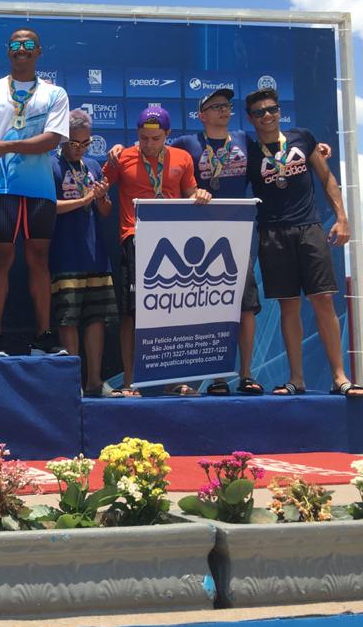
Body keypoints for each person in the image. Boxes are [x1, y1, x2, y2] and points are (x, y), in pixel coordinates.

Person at [243, 88, 361, 398]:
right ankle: (296, 379)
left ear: (280, 111)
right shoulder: (248, 149)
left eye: (272, 109)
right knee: (288, 306)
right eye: (259, 112)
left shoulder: (303, 138)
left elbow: (326, 178)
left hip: (309, 228)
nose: (267, 115)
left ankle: (340, 377)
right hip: (272, 233)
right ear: (250, 118)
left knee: (323, 299)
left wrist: (342, 218)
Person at [0, 28, 70, 357]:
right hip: (0, 187)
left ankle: (43, 335)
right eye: (16, 45)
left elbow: (53, 139)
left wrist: (8, 145)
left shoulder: (55, 94)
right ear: (8, 51)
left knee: (38, 260)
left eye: (29, 45)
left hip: (39, 188)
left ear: (39, 51)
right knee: (1, 259)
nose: (22, 49)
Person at [102, 106, 212, 396]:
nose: (148, 144)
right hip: (135, 240)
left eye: (155, 138)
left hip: (174, 242)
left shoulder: (183, 158)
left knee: (174, 311)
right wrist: (107, 165)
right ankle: (129, 381)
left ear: (167, 135)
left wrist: (199, 194)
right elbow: (98, 188)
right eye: (143, 138)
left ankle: (176, 380)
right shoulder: (122, 156)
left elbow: (190, 193)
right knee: (132, 314)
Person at [171, 89, 262, 395]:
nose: (225, 110)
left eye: (227, 106)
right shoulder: (187, 144)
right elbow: (155, 159)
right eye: (217, 106)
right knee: (210, 306)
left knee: (245, 307)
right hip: (201, 237)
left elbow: (274, 153)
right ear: (202, 115)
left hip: (237, 232)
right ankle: (218, 376)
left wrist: (320, 151)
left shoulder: (243, 139)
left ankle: (246, 374)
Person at [49, 109, 118, 397]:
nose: (80, 149)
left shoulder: (92, 165)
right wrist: (85, 198)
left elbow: (105, 211)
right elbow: (49, 207)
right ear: (63, 140)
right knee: (69, 319)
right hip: (66, 253)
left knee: (96, 318)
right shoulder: (50, 164)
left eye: (85, 144)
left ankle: (94, 380)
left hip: (96, 254)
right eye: (75, 144)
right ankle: (71, 384)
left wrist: (100, 198)